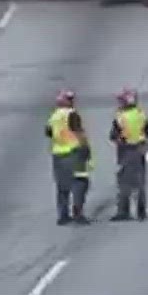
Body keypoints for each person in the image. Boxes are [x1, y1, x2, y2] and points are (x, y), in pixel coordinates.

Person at [45, 90, 90, 225]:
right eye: (70, 99)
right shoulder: (72, 114)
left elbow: (48, 132)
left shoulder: (54, 116)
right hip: (74, 152)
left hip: (58, 154)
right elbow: (78, 132)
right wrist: (85, 148)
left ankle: (63, 215)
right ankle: (78, 213)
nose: (72, 102)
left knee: (62, 186)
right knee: (79, 182)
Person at [108, 89, 148, 221]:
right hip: (139, 150)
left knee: (124, 182)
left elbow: (113, 135)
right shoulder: (141, 114)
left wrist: (121, 139)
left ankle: (124, 212)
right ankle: (141, 211)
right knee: (140, 182)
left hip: (125, 151)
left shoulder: (120, 117)